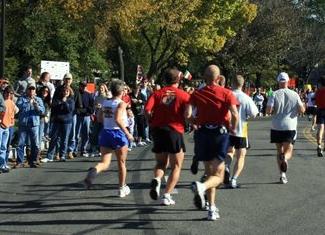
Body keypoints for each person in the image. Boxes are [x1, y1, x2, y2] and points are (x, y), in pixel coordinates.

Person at [187, 64, 238, 221]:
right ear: (218, 78)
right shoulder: (227, 93)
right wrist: (232, 129)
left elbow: (187, 114)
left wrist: (194, 121)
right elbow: (235, 114)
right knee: (219, 176)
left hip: (202, 133)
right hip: (219, 134)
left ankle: (211, 208)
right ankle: (201, 187)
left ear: (204, 78)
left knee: (210, 173)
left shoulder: (197, 93)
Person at [145, 68, 190, 206]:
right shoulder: (183, 95)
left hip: (158, 130)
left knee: (160, 163)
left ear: (165, 79)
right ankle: (167, 195)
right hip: (174, 131)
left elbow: (147, 109)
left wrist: (151, 121)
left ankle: (157, 179)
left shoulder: (157, 93)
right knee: (176, 165)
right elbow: (188, 115)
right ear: (178, 79)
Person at [84, 81, 134, 198]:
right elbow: (118, 119)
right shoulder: (121, 103)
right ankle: (122, 187)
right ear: (121, 92)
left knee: (105, 162)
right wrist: (128, 133)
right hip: (118, 133)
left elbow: (99, 118)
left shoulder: (105, 102)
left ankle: (92, 173)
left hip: (106, 132)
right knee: (121, 162)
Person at [266, 72, 305, 184]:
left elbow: (268, 111)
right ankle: (285, 158)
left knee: (279, 150)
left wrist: (274, 111)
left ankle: (282, 175)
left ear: (278, 81)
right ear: (288, 81)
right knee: (288, 151)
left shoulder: (274, 94)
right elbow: (302, 110)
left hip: (276, 126)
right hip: (290, 126)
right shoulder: (294, 94)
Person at [224, 75, 258, 189]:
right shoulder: (245, 98)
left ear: (232, 82)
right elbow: (254, 113)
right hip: (240, 130)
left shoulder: (226, 94)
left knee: (229, 152)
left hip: (226, 129)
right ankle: (234, 179)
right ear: (242, 85)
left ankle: (226, 166)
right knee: (241, 156)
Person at [14, 80, 45, 168]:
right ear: (27, 90)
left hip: (34, 124)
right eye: (30, 89)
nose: (31, 91)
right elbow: (18, 108)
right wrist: (28, 103)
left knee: (35, 144)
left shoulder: (38, 99)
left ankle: (34, 161)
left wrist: (36, 106)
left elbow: (42, 111)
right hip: (23, 124)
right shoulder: (22, 98)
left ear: (35, 91)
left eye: (33, 89)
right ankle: (19, 162)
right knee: (20, 143)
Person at [41, 85, 75, 162]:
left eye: (67, 91)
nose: (65, 92)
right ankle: (49, 156)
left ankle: (62, 155)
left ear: (69, 92)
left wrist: (64, 102)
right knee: (53, 139)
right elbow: (54, 108)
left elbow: (69, 110)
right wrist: (60, 105)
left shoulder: (71, 101)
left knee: (64, 139)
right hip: (57, 121)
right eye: (64, 91)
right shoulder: (57, 99)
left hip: (66, 122)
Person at [0, 86, 16, 173]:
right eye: (7, 93)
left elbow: (12, 115)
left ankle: (2, 165)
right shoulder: (1, 101)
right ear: (4, 93)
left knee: (3, 147)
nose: (8, 95)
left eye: (10, 93)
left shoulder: (12, 103)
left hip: (7, 127)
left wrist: (11, 123)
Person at [74, 81, 94, 157]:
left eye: (85, 86)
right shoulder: (76, 94)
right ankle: (74, 150)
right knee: (76, 134)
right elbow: (74, 105)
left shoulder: (89, 95)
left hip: (86, 116)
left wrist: (85, 110)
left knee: (86, 134)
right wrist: (79, 110)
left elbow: (91, 107)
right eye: (82, 86)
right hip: (78, 116)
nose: (84, 87)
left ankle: (83, 149)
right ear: (79, 86)